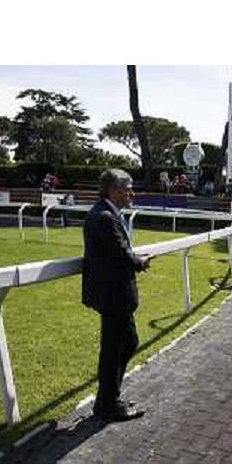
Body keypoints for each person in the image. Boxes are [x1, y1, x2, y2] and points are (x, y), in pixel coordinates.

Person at [82, 168, 152, 422]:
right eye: (128, 187)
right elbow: (122, 254)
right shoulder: (104, 217)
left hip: (116, 296)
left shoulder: (109, 213)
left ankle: (108, 399)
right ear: (114, 190)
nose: (132, 192)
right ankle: (108, 405)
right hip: (113, 296)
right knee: (114, 351)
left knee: (128, 344)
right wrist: (140, 262)